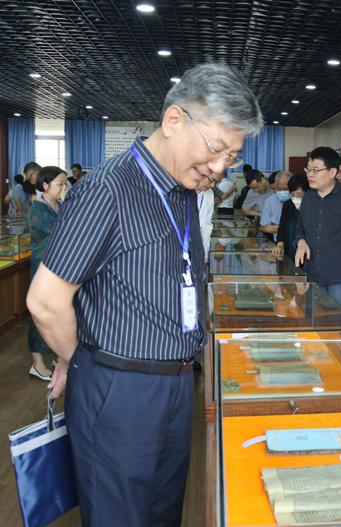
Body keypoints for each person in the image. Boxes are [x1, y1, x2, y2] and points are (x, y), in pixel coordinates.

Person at [26, 62, 262, 526]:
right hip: (121, 388)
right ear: (174, 120)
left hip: (175, 383)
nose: (220, 167)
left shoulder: (184, 189)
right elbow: (46, 300)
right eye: (216, 148)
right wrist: (82, 363)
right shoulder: (108, 188)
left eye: (232, 157)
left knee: (162, 512)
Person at [295, 147, 341, 313]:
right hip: (313, 274)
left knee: (340, 321)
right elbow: (300, 228)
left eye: (315, 170)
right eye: (308, 169)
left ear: (332, 172)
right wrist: (301, 242)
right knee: (315, 320)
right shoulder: (308, 198)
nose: (310, 175)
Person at [27, 166, 68, 381]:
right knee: (40, 315)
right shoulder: (38, 209)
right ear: (45, 185)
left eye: (64, 183)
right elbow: (63, 231)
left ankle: (58, 357)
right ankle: (37, 363)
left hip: (58, 269)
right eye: (60, 184)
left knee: (58, 315)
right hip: (42, 271)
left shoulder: (58, 205)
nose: (63, 188)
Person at [273, 174, 309, 258]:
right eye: (293, 195)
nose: (296, 198)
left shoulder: (313, 208)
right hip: (289, 252)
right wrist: (280, 244)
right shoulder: (288, 205)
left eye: (299, 195)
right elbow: (282, 228)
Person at [197, 171, 224, 260]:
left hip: (199, 251)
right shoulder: (181, 192)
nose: (212, 186)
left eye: (215, 182)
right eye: (211, 180)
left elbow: (207, 228)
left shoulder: (209, 194)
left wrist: (204, 257)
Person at [260, 170, 292, 242]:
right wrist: (287, 228)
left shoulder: (298, 200)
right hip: (278, 242)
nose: (282, 191)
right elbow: (264, 227)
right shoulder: (270, 201)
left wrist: (276, 227)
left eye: (285, 189)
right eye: (279, 189)